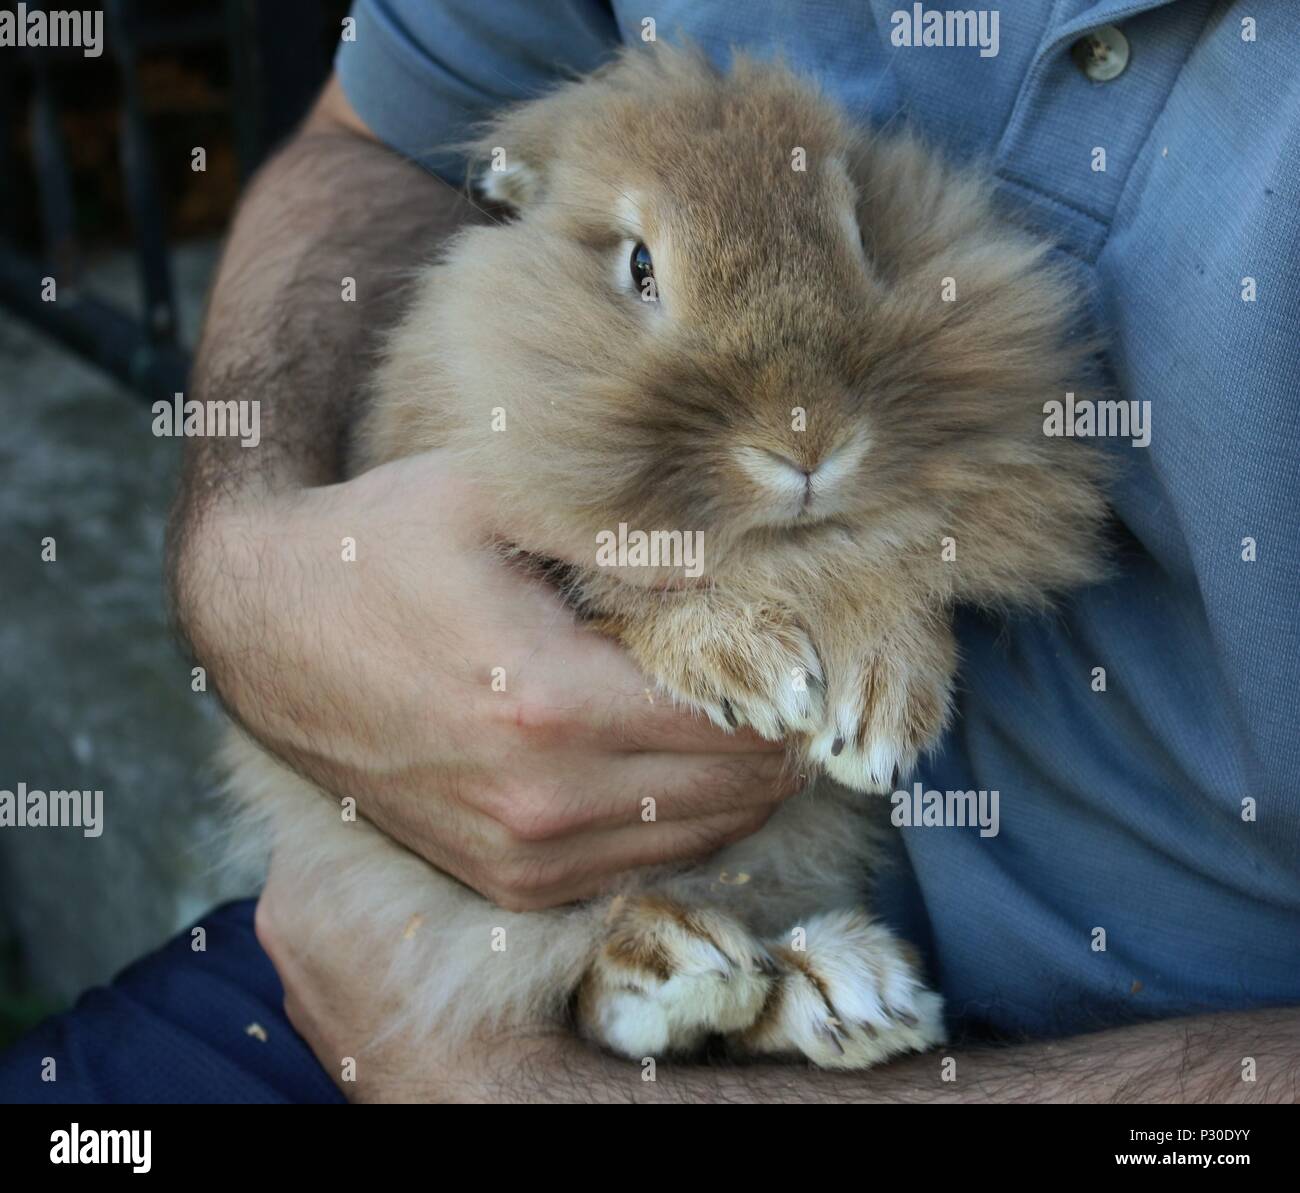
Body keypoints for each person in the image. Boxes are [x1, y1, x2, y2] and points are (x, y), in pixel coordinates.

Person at [4, 0, 1298, 1104]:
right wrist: (244, 561)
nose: (797, 435)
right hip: (429, 943)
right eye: (643, 273)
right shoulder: (540, 275)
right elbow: (381, 140)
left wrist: (509, 1085)